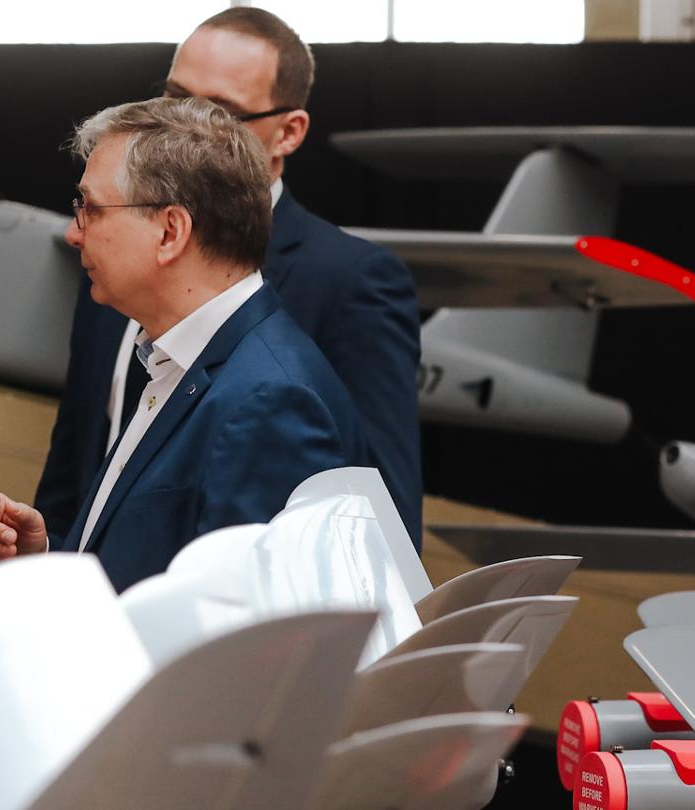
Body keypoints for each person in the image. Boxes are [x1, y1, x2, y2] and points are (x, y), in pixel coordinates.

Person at [0, 97, 365, 616]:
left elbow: (230, 643)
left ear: (170, 231)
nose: (73, 232)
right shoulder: (195, 361)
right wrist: (43, 561)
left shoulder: (269, 401)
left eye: (89, 208)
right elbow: (151, 576)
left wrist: (2, 619)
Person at [32, 7, 422, 551]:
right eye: (173, 97)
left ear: (289, 132)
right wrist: (41, 563)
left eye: (218, 112)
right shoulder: (116, 257)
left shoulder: (348, 283)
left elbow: (379, 528)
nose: (180, 123)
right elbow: (80, 464)